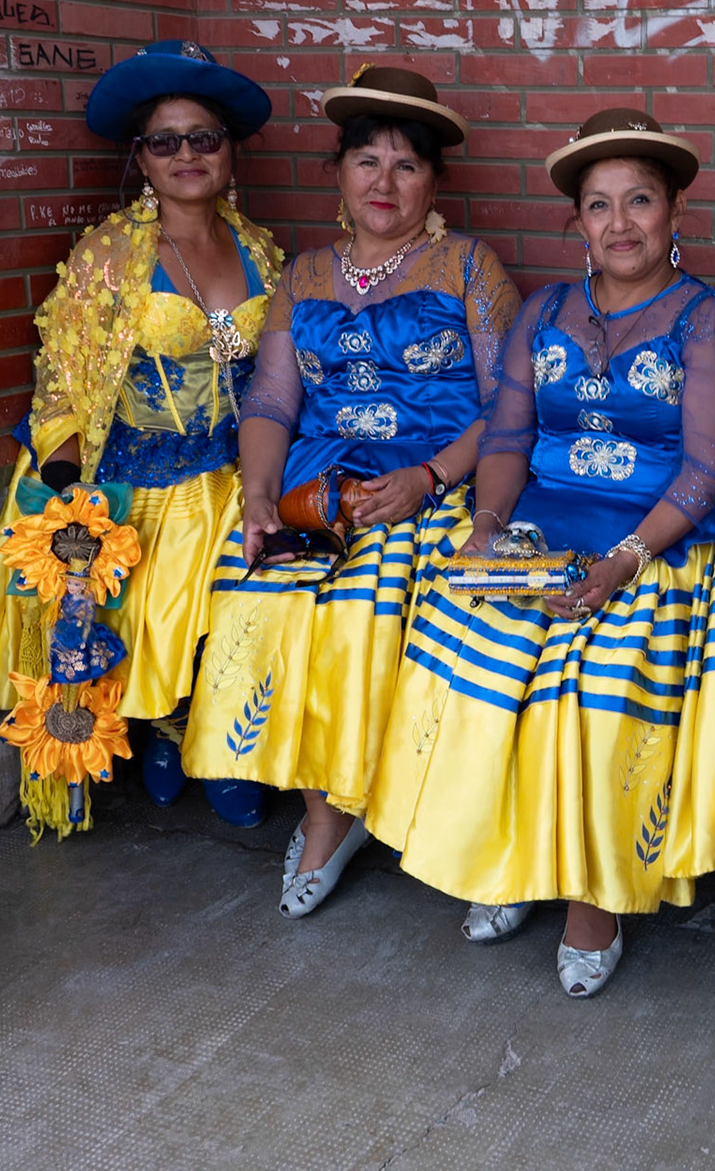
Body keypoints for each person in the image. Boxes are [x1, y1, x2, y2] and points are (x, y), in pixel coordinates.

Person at [362, 109, 715, 997]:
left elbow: (708, 468)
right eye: (599, 205)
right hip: (538, 527)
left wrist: (623, 562)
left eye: (639, 201)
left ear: (675, 210)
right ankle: (508, 864)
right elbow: (508, 436)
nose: (620, 224)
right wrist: (488, 529)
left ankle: (591, 899)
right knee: (478, 666)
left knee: (594, 688)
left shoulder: (709, 319)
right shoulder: (543, 311)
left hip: (653, 542)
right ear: (577, 220)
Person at [179, 67, 518, 917]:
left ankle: (403, 804)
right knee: (270, 594)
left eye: (407, 165)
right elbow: (271, 401)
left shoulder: (468, 266)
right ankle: (326, 812)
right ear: (338, 172)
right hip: (319, 485)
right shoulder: (303, 276)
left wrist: (430, 477)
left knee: (378, 602)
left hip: (434, 477)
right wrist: (260, 495)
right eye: (367, 161)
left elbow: (511, 406)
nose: (384, 182)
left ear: (434, 182)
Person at [0, 40, 283, 837]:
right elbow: (61, 382)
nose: (186, 155)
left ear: (229, 150)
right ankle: (166, 730)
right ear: (140, 159)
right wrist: (69, 487)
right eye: (164, 142)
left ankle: (225, 746)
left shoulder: (259, 248)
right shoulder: (110, 256)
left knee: (248, 603)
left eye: (202, 137)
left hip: (240, 466)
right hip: (142, 472)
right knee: (155, 615)